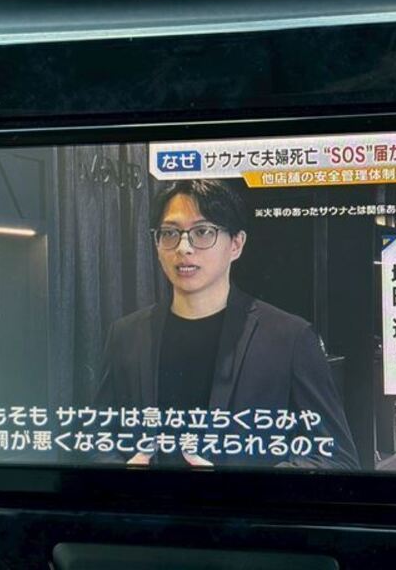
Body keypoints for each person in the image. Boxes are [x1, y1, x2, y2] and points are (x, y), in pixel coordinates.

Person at [95, 179, 359, 470]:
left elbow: (338, 459)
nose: (183, 248)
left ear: (236, 244)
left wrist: (240, 487)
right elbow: (96, 442)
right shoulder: (126, 335)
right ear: (157, 244)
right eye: (169, 233)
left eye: (203, 232)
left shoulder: (290, 338)